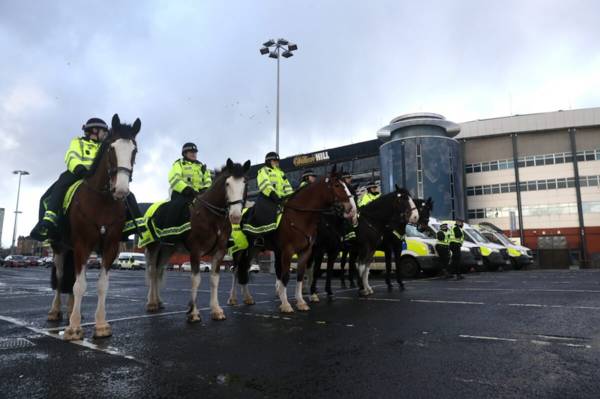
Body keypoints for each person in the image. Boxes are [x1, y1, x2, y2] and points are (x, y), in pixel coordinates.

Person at [31, 118, 110, 240]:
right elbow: (71, 155)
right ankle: (48, 222)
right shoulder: (77, 142)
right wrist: (79, 168)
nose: (105, 134)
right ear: (94, 130)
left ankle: (134, 221)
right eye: (103, 131)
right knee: (55, 190)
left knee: (124, 191)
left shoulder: (105, 146)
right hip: (78, 172)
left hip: (99, 176)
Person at [242, 151, 293, 235]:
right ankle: (260, 236)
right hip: (268, 197)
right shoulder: (263, 171)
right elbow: (265, 184)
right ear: (269, 161)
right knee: (266, 216)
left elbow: (288, 186)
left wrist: (291, 196)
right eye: (275, 161)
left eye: (277, 161)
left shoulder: (281, 173)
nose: (277, 163)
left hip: (282, 199)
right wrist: (273, 195)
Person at [166, 142, 212, 223]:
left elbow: (208, 180)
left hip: (199, 195)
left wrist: (206, 189)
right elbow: (174, 179)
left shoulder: (201, 166)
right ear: (185, 153)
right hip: (183, 194)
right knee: (177, 207)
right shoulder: (179, 164)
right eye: (191, 152)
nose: (194, 154)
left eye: (195, 152)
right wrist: (185, 189)